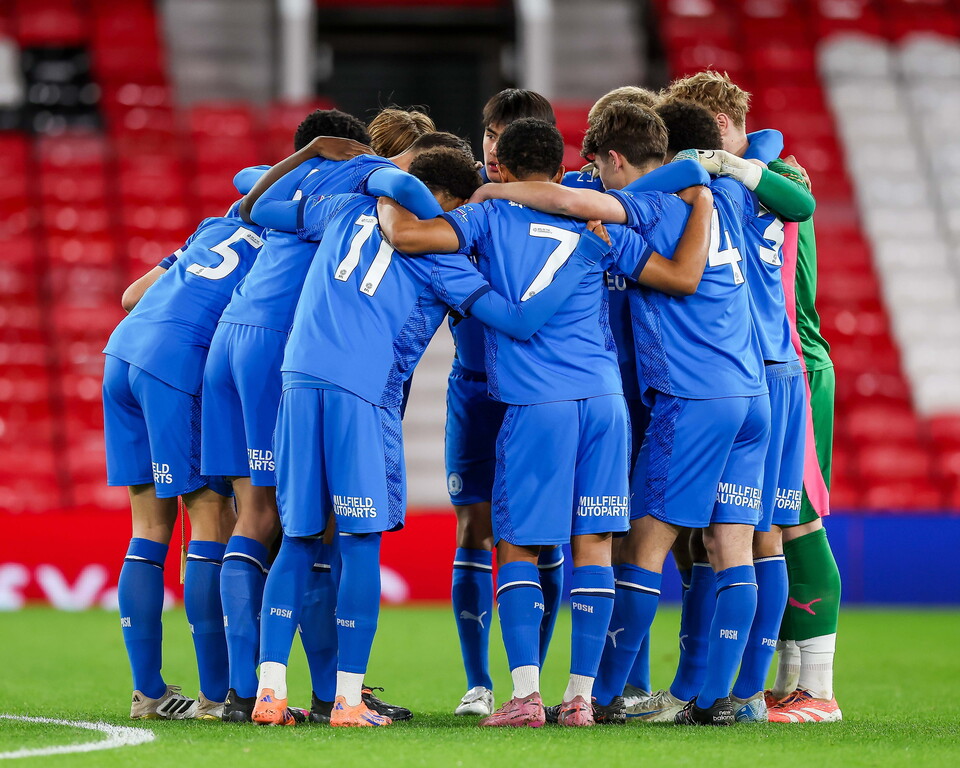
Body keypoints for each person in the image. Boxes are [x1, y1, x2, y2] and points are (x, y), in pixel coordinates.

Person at [251, 146, 607, 727]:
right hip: (360, 394)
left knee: (298, 538)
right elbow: (518, 321)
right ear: (451, 202)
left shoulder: (343, 207)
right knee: (360, 542)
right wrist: (586, 255)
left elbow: (259, 206)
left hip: (298, 378)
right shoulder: (442, 256)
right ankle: (346, 701)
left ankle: (270, 694)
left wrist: (311, 152)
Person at [471, 102, 800, 725]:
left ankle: (606, 694)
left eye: (600, 168)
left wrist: (492, 188)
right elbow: (776, 172)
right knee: (735, 543)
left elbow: (577, 209)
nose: (597, 181)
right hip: (752, 390)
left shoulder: (646, 207)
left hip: (693, 394)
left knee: (639, 549)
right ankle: (730, 697)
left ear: (616, 160)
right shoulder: (726, 196)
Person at [379, 118, 714, 727]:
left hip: (539, 403)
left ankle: (525, 696)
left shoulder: (484, 218)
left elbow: (408, 238)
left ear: (499, 168)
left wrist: (388, 181)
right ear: (561, 171)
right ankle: (582, 697)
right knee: (593, 543)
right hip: (606, 401)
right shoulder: (598, 219)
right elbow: (678, 276)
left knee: (517, 544)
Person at [203, 110, 441, 723]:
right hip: (300, 358)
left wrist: (307, 158)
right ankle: (316, 690)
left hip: (266, 354)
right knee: (289, 524)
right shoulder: (375, 202)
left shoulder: (315, 196)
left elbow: (245, 186)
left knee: (287, 525)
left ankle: (266, 688)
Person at [667, 70, 842, 724]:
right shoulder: (735, 179)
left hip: (793, 365)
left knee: (793, 522)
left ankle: (817, 690)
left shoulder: (780, 178)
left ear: (721, 128)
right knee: (754, 527)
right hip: (754, 370)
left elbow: (795, 200)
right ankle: (785, 684)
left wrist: (739, 163)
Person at [103, 184, 266, 721]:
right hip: (176, 365)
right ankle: (215, 696)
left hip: (123, 354)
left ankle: (147, 692)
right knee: (210, 513)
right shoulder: (284, 247)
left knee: (148, 527)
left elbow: (130, 296)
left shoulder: (214, 227)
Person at [447, 88, 566, 718]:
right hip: (474, 386)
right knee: (474, 527)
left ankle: (532, 679)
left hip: (543, 392)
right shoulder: (460, 199)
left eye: (508, 136)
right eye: (490, 134)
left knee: (544, 538)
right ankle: (478, 681)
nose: (495, 148)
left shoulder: (574, 201)